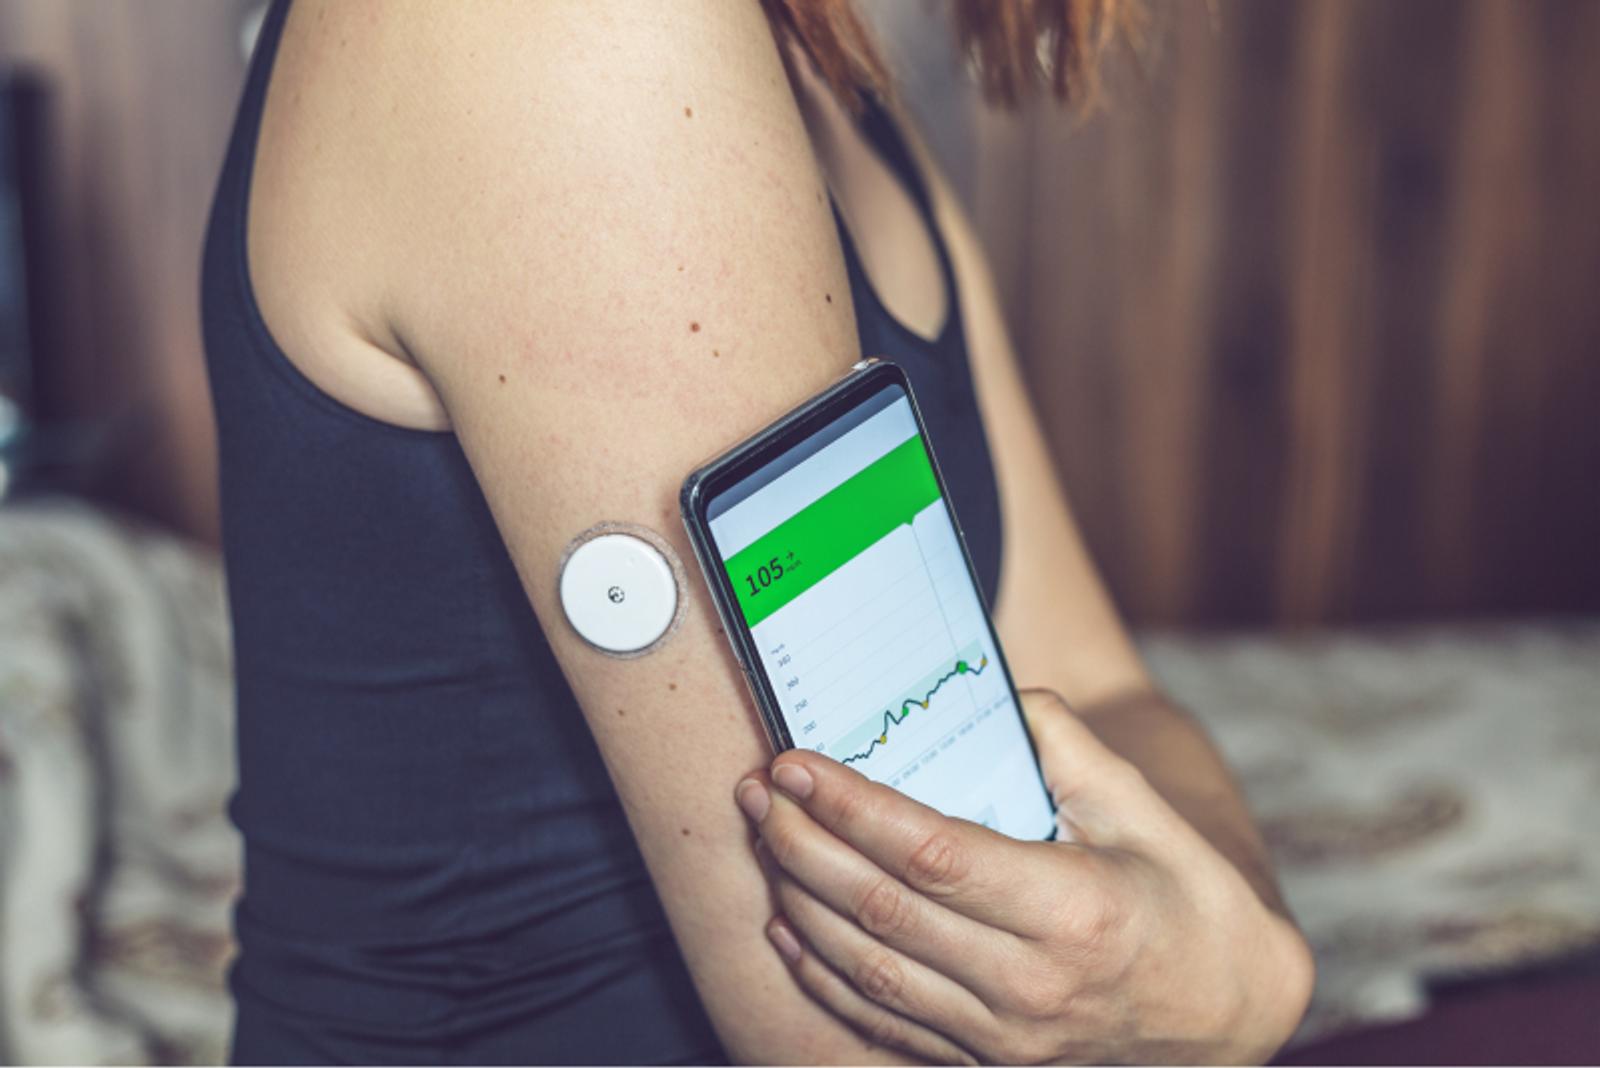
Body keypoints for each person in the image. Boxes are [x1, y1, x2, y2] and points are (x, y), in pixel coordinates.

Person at [202, 0, 1313, 1062]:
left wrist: (1227, 947)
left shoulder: (823, 73)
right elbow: (847, 1035)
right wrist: (1237, 993)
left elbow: (1095, 685)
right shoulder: (560, 37)